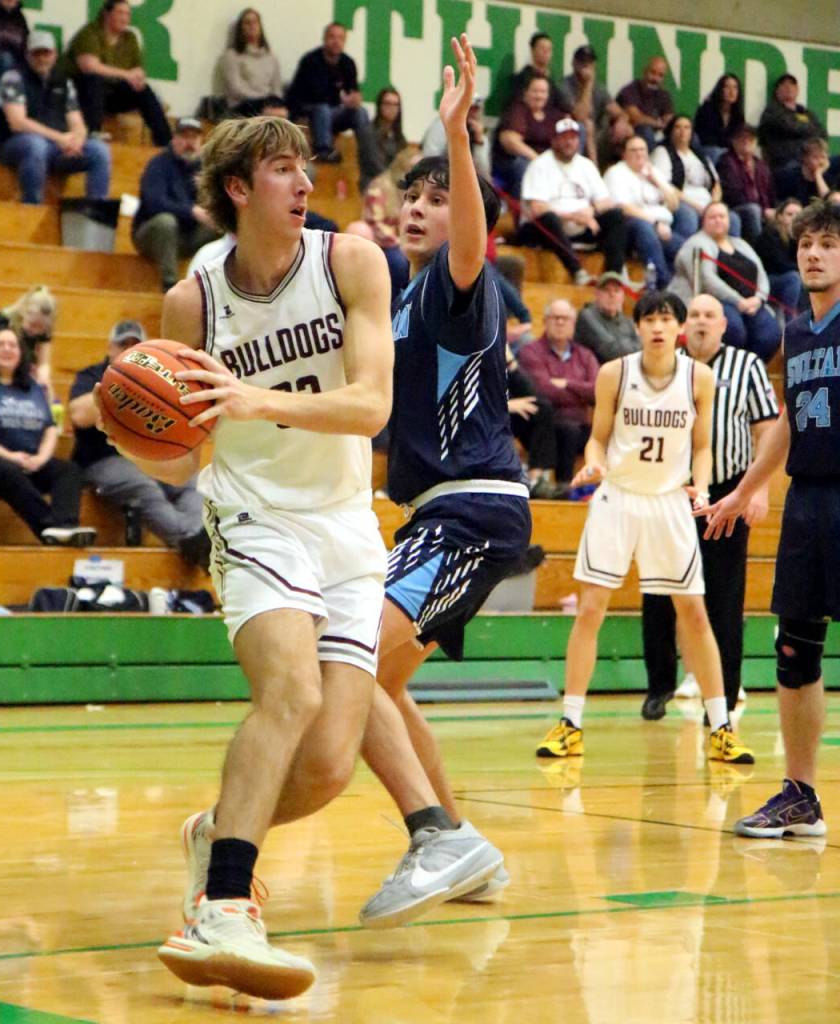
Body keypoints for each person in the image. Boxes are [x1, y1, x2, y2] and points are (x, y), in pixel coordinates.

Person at [90, 104, 393, 995]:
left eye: (306, 167)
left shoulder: (351, 261)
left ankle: (217, 830)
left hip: (345, 523)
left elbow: (372, 404)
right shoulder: (195, 297)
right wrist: (136, 428)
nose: (305, 182)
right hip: (255, 514)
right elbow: (182, 444)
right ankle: (225, 904)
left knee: (333, 762)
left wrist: (257, 398)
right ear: (237, 187)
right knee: (290, 690)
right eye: (283, 170)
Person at [358, 38, 536, 928]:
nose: (419, 210)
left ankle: (439, 837)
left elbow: (471, 235)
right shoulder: (397, 299)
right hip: (437, 513)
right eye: (410, 198)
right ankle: (461, 843)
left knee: (348, 677)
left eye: (435, 199)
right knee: (376, 687)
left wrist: (459, 139)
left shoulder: (459, 285)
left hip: (472, 509)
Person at [535, 289, 754, 764]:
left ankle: (721, 724)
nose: (657, 326)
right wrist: (592, 465)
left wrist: (701, 486)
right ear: (637, 327)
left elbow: (701, 445)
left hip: (670, 503)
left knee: (695, 614)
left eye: (665, 318)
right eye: (649, 318)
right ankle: (571, 721)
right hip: (618, 499)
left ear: (678, 329)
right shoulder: (615, 373)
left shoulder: (700, 376)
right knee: (592, 608)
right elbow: (597, 439)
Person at [703, 200, 839, 839]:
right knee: (793, 649)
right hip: (809, 501)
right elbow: (787, 419)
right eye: (807, 243)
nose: (814, 253)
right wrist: (743, 491)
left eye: (829, 244)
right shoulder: (798, 332)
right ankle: (801, 795)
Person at [639, 294, 777, 720]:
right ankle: (659, 686)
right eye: (694, 315)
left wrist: (760, 490)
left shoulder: (748, 365)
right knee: (659, 592)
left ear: (723, 325)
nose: (701, 322)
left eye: (709, 316)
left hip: (729, 492)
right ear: (684, 324)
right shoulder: (662, 363)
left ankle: (724, 696)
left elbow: (767, 430)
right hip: (670, 489)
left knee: (724, 595)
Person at [66, 320, 210, 565]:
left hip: (148, 455)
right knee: (145, 488)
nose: (127, 349)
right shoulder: (90, 374)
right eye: (123, 345)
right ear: (110, 348)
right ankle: (191, 541)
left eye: (135, 345)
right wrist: (123, 382)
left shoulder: (160, 377)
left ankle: (196, 534)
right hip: (102, 459)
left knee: (193, 483)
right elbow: (79, 416)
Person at [0, 328, 94, 546]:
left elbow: (49, 428)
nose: (7, 349)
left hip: (27, 460)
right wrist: (7, 455)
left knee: (68, 470)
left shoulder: (32, 385)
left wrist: (41, 459)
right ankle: (49, 529)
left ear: (22, 352)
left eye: (13, 345)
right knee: (8, 471)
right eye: (0, 344)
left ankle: (66, 526)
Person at [0, 30, 111, 207]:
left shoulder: (64, 81)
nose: (42, 58)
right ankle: (31, 206)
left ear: (55, 55)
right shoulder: (13, 78)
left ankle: (95, 212)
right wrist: (60, 138)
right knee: (35, 145)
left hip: (56, 147)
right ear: (27, 55)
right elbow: (18, 123)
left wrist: (76, 140)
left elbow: (77, 122)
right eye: (36, 53)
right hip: (12, 144)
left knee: (99, 151)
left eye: (46, 53)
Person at [517, 117, 629, 286]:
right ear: (554, 140)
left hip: (582, 226)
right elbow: (537, 208)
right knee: (549, 218)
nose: (569, 142)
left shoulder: (586, 165)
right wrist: (573, 216)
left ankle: (613, 277)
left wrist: (591, 211)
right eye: (564, 137)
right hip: (545, 230)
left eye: (573, 138)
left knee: (616, 216)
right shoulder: (539, 165)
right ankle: (578, 272)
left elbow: (606, 201)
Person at [670, 202, 780, 362]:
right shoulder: (696, 244)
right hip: (716, 301)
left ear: (729, 220)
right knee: (733, 330)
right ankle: (725, 369)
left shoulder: (740, 243)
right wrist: (738, 300)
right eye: (712, 217)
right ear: (703, 221)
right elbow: (707, 279)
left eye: (722, 216)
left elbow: (761, 273)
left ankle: (749, 369)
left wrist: (758, 298)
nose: (718, 220)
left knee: (770, 334)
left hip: (751, 303)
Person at [62, 0, 171, 148]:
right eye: (120, 13)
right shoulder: (90, 32)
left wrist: (136, 78)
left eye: (128, 14)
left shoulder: (130, 38)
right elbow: (89, 66)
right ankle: (93, 133)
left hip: (112, 95)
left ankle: (166, 142)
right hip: (82, 95)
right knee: (93, 79)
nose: (125, 18)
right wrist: (127, 75)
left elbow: (138, 71)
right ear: (107, 14)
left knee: (143, 90)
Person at [131, 117, 220, 292]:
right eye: (185, 137)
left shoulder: (207, 169)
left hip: (188, 236)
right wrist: (192, 211)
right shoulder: (158, 164)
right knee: (166, 222)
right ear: (175, 139)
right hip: (152, 236)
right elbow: (154, 202)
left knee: (224, 225)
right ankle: (170, 285)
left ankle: (216, 287)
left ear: (201, 141)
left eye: (194, 138)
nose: (189, 143)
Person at [519, 299, 598, 482]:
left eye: (565, 318)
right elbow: (543, 390)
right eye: (555, 318)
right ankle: (564, 487)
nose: (560, 322)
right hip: (542, 427)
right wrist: (581, 392)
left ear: (573, 323)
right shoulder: (531, 352)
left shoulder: (585, 355)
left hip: (580, 426)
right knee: (567, 431)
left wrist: (567, 384)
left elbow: (597, 390)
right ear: (545, 321)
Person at [605, 133, 694, 289]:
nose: (639, 154)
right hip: (632, 226)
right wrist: (655, 223)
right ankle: (663, 281)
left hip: (662, 225)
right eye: (633, 150)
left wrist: (656, 181)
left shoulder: (653, 171)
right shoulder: (616, 173)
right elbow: (623, 208)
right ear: (625, 155)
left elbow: (673, 204)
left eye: (642, 150)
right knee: (644, 228)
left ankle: (686, 283)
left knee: (684, 239)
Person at [285, 22, 376, 171]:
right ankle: (324, 150)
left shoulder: (348, 63)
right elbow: (314, 94)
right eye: (332, 37)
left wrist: (355, 99)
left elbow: (352, 90)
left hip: (335, 112)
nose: (336, 41)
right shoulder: (311, 61)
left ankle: (369, 157)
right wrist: (342, 100)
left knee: (361, 112)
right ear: (324, 38)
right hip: (307, 108)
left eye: (340, 38)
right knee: (323, 108)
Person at [343, 147, 416, 301]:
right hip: (383, 242)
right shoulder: (380, 186)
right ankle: (393, 305)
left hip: (403, 242)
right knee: (399, 262)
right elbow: (375, 224)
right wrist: (399, 243)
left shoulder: (415, 191)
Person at [757, 74, 840, 190]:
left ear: (797, 90)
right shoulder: (772, 111)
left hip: (816, 161)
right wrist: (809, 129)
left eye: (792, 85)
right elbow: (789, 127)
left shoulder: (806, 113)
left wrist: (803, 129)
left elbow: (822, 133)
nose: (789, 88)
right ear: (777, 91)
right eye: (784, 85)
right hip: (788, 162)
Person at [555, 45, 627, 168]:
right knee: (587, 125)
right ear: (574, 63)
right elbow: (581, 116)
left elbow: (618, 111)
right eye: (582, 62)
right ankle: (594, 171)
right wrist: (588, 84)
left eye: (589, 62)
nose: (586, 65)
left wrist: (622, 120)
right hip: (574, 132)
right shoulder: (564, 85)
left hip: (599, 134)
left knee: (628, 129)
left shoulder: (599, 87)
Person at [506, 343, 562, 497]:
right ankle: (533, 481)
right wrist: (506, 406)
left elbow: (530, 394)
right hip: (479, 418)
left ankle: (536, 480)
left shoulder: (497, 357)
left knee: (541, 408)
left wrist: (510, 362)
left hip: (500, 416)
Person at [652, 115, 727, 228]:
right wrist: (696, 206)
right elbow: (665, 184)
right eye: (678, 127)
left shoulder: (700, 155)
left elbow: (716, 184)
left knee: (732, 218)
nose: (683, 131)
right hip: (681, 201)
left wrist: (713, 205)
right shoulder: (662, 152)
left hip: (707, 202)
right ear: (670, 131)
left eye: (687, 127)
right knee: (689, 216)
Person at [493, 73, 560, 198]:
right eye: (535, 91)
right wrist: (539, 160)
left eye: (543, 92)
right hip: (515, 163)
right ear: (526, 93)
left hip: (547, 161)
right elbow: (510, 141)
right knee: (525, 165)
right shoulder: (517, 110)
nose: (539, 96)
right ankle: (525, 212)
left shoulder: (552, 114)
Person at [217, 8, 283, 118]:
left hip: (267, 104)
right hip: (242, 105)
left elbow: (276, 88)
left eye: (255, 22)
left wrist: (272, 101)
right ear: (241, 28)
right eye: (247, 23)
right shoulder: (231, 56)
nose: (252, 26)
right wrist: (262, 99)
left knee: (287, 109)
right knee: (273, 114)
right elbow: (235, 89)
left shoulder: (271, 57)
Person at [716, 123, 775, 245]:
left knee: (789, 212)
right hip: (738, 208)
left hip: (763, 209)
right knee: (753, 210)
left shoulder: (761, 165)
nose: (746, 141)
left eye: (750, 139)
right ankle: (759, 249)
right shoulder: (726, 161)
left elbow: (771, 193)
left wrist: (776, 211)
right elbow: (733, 195)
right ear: (733, 141)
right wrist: (764, 211)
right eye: (742, 138)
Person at [574, 271, 641, 364]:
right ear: (597, 294)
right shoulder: (587, 316)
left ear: (622, 297)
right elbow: (610, 351)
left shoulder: (628, 321)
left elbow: (644, 347)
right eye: (606, 290)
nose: (612, 295)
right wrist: (632, 345)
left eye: (616, 291)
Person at [754, 197, 804, 317]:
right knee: (794, 278)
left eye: (799, 214)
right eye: (790, 214)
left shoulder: (800, 237)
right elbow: (780, 265)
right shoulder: (770, 234)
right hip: (767, 280)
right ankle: (790, 322)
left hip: (787, 277)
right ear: (780, 217)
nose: (795, 218)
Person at [421, 92, 488, 180]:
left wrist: (479, 142)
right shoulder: (441, 126)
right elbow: (430, 159)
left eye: (476, 109)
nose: (473, 113)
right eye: (469, 108)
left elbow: (484, 172)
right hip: (440, 177)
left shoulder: (479, 135)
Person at [616, 57, 674, 151]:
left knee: (683, 132)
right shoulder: (630, 90)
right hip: (633, 134)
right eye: (652, 73)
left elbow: (670, 120)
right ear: (644, 71)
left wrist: (667, 123)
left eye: (660, 75)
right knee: (645, 130)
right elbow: (636, 118)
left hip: (656, 135)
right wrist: (658, 123)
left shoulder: (663, 95)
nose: (655, 78)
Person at [773, 138, 840, 208]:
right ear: (805, 158)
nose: (821, 162)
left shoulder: (829, 178)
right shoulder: (789, 177)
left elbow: (829, 203)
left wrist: (818, 175)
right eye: (815, 157)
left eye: (823, 157)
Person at [360, 87, 406, 189]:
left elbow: (404, 162)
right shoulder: (368, 132)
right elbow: (375, 166)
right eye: (388, 103)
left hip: (394, 184)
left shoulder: (399, 136)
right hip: (373, 184)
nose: (392, 108)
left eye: (396, 105)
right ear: (380, 106)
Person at [693, 74, 745, 164]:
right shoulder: (707, 109)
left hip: (727, 150)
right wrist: (727, 144)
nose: (731, 92)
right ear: (720, 90)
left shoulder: (738, 115)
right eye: (727, 87)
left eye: (735, 88)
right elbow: (705, 137)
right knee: (718, 154)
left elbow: (737, 137)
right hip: (707, 148)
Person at [509, 31, 564, 106]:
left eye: (549, 49)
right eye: (542, 48)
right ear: (532, 50)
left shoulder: (552, 81)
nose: (546, 52)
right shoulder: (521, 79)